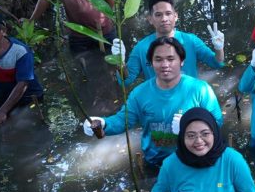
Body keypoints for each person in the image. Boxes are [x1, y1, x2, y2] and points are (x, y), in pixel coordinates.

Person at [83, 37, 223, 165]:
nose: (165, 64)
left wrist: (189, 127)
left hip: (193, 158)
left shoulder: (199, 89)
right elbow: (124, 120)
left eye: (170, 59)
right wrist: (103, 124)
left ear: (182, 61)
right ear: (151, 63)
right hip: (156, 161)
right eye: (158, 59)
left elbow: (217, 122)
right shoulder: (140, 93)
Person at [113, 0, 225, 87]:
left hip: (189, 96)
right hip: (158, 101)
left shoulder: (191, 40)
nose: (164, 19)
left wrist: (219, 49)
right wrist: (120, 64)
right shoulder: (142, 48)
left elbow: (217, 63)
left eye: (168, 13)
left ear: (175, 16)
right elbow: (126, 81)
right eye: (158, 15)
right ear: (150, 19)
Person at [0, 9, 43, 124]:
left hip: (28, 98)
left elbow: (23, 84)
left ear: (3, 31)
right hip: (2, 98)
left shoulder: (20, 51)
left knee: (15, 127)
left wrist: (2, 111)